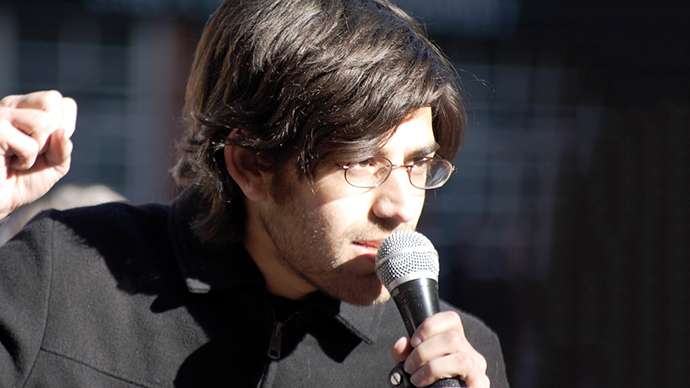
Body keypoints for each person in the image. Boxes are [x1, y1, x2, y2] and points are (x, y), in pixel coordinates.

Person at [0, 0, 509, 387]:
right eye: (360, 164)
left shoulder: (458, 358)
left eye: (418, 163)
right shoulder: (62, 275)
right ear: (251, 165)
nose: (400, 207)